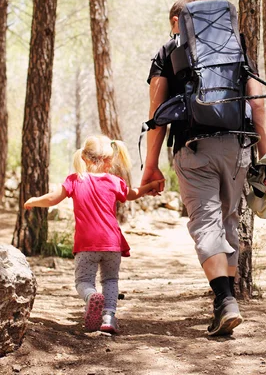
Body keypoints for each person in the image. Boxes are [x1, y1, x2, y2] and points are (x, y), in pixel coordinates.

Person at [142, 0, 266, 336]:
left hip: (194, 147)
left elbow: (156, 117)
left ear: (177, 20)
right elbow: (258, 108)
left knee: (205, 222)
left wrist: (150, 168)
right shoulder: (235, 48)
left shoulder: (168, 52)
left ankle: (225, 301)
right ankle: (226, 305)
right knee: (228, 222)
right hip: (238, 148)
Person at [24, 135, 164, 334]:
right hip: (111, 244)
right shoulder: (114, 181)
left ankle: (91, 297)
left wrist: (34, 200)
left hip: (86, 244)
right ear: (109, 160)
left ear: (85, 158)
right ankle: (108, 317)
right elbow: (132, 194)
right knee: (110, 280)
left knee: (83, 282)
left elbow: (53, 199)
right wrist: (149, 187)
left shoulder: (74, 180)